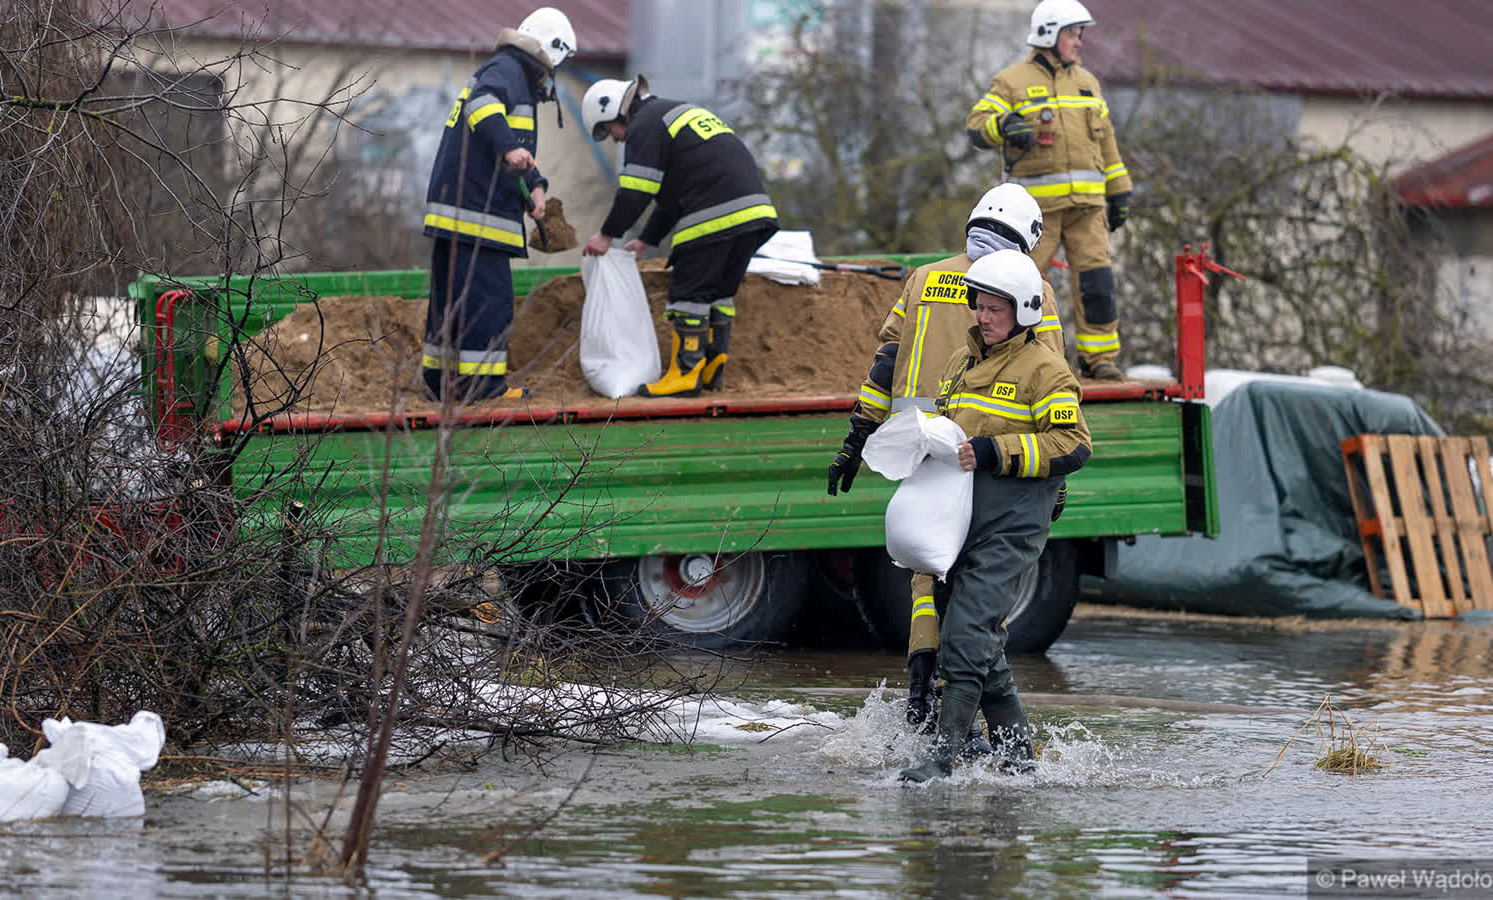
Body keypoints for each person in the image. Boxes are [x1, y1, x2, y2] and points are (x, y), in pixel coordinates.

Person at [827, 183, 1066, 734]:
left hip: (923, 450)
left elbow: (885, 361)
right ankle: (971, 725)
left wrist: (857, 436)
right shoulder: (1030, 292)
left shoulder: (923, 278)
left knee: (927, 571)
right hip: (986, 460)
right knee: (976, 585)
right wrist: (1053, 476)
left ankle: (921, 689)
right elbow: (1050, 375)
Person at [898, 249, 1092, 783]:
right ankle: (1018, 759)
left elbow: (1073, 445)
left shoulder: (1046, 371)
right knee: (981, 645)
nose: (982, 317)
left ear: (1023, 310)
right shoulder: (960, 364)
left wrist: (994, 451)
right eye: (979, 306)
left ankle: (944, 758)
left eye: (994, 309)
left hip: (1012, 528)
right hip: (959, 524)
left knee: (965, 634)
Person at [964, 0, 1133, 381]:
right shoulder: (1012, 81)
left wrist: (1120, 190)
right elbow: (976, 125)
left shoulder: (1088, 83)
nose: (1079, 42)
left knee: (1097, 283)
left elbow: (1107, 142)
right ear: (1048, 34)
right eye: (1072, 34)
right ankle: (1032, 357)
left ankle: (1099, 358)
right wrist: (1004, 124)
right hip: (1036, 213)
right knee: (1029, 286)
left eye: (1079, 35)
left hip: (1088, 207)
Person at [580, 75, 778, 397]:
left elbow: (636, 190)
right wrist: (647, 239)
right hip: (754, 213)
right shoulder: (670, 114)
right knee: (719, 293)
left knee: (690, 292)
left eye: (608, 130)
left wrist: (606, 235)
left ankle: (684, 375)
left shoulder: (644, 124)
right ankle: (711, 368)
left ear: (614, 111)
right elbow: (671, 198)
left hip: (714, 212)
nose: (615, 139)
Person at [421, 7, 576, 403]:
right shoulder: (508, 72)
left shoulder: (505, 71)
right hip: (480, 215)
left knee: (451, 300)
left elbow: (510, 152)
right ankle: (483, 387)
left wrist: (535, 188)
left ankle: (442, 382)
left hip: (456, 209)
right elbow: (483, 106)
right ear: (551, 52)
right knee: (489, 301)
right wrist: (509, 147)